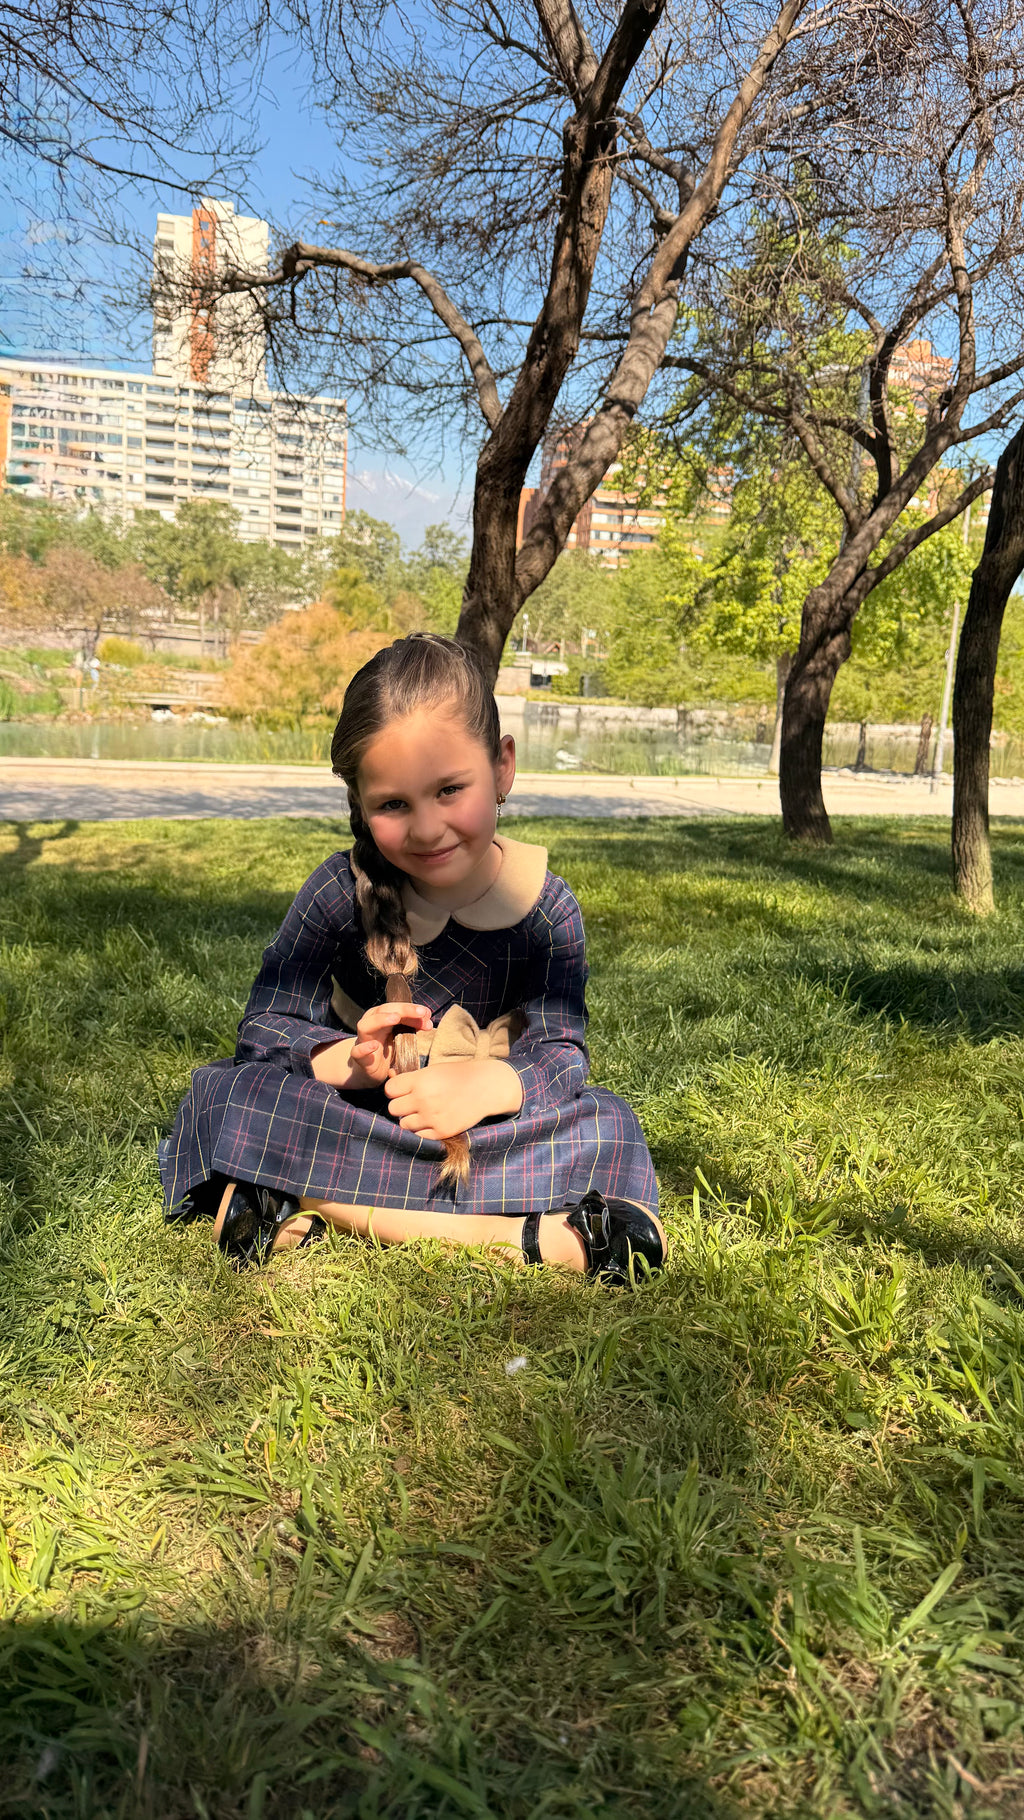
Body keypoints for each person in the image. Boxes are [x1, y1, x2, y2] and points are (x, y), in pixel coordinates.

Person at [160, 634, 665, 1283]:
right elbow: (266, 1028)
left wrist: (490, 1085)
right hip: (361, 1118)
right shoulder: (338, 892)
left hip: (490, 1133)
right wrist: (350, 1061)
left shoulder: (545, 910)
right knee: (227, 1091)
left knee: (608, 1121)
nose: (427, 829)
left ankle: (304, 1199)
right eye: (394, 805)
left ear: (502, 767)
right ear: (361, 802)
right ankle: (535, 1240)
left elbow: (561, 1051)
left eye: (451, 789)